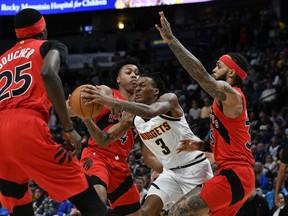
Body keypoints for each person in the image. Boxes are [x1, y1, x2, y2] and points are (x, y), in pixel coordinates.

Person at [0, 8, 106, 216]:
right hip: (26, 126)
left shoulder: (2, 58)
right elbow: (48, 72)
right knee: (92, 204)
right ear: (43, 29)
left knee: (18, 204)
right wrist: (68, 127)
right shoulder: (48, 46)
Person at [155, 11, 255, 216]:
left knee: (177, 212)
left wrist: (172, 41)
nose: (214, 68)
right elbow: (229, 142)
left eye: (218, 66)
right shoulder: (227, 102)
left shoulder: (232, 95)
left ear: (232, 72)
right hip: (236, 176)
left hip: (235, 176)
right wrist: (200, 145)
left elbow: (201, 75)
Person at [80, 73, 214, 216]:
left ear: (155, 91)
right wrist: (87, 119)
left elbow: (150, 112)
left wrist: (109, 100)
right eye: (136, 86)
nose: (137, 89)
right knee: (146, 212)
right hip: (171, 173)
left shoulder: (169, 100)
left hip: (196, 169)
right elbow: (103, 140)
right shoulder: (134, 118)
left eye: (142, 85)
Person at [69, 57, 144, 216]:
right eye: (128, 72)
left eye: (137, 73)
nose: (134, 76)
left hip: (121, 165)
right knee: (98, 200)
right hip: (98, 157)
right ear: (118, 78)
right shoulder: (107, 92)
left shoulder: (142, 107)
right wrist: (73, 106)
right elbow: (74, 107)